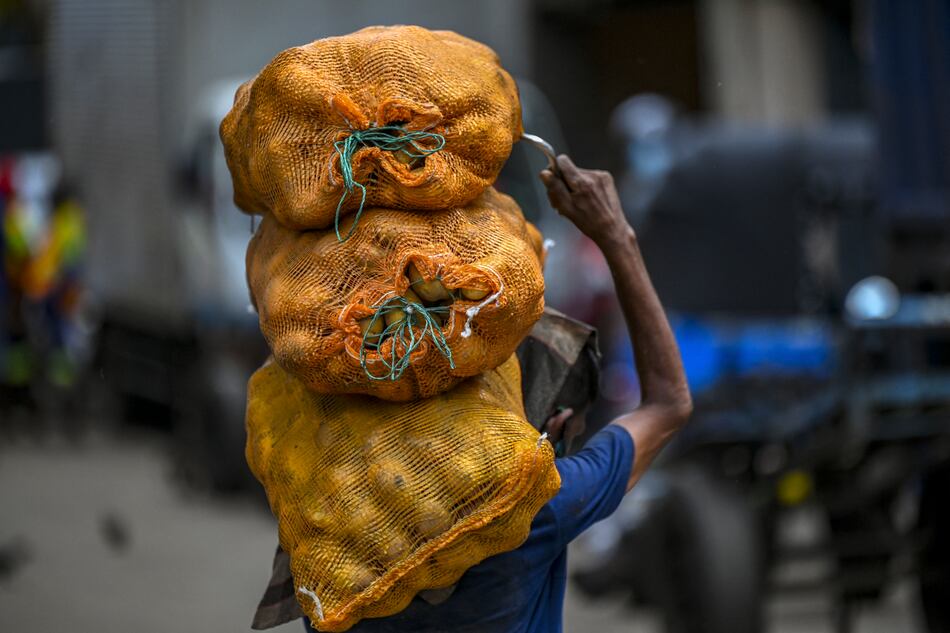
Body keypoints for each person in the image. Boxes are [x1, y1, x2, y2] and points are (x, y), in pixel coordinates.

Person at [271, 155, 692, 632]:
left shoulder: (325, 512)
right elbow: (669, 403)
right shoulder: (532, 512)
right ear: (533, 420)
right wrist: (618, 237)